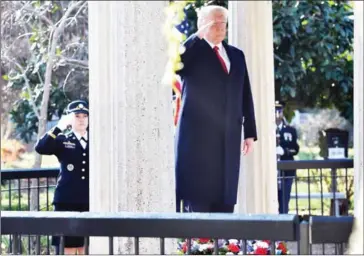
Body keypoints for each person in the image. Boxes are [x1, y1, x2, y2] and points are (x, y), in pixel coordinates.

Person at [174, 5, 257, 214]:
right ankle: (200, 247)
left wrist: (250, 133)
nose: (221, 27)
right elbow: (176, 65)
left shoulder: (236, 56)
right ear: (202, 25)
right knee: (200, 208)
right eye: (215, 22)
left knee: (225, 209)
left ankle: (223, 247)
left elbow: (245, 94)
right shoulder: (193, 53)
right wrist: (196, 38)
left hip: (228, 141)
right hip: (198, 144)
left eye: (224, 23)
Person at [35, 100, 89, 255]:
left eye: (84, 116)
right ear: (69, 119)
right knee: (67, 247)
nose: (81, 119)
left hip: (90, 201)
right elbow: (41, 148)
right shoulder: (63, 140)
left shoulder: (96, 140)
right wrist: (59, 127)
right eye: (77, 116)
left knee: (88, 245)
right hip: (67, 200)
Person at [275, 100, 300, 214]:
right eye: (274, 111)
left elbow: (295, 149)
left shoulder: (290, 130)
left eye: (279, 111)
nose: (277, 114)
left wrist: (284, 151)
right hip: (271, 172)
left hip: (286, 171)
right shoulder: (266, 130)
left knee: (284, 203)